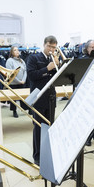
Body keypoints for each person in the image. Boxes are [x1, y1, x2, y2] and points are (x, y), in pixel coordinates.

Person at [27, 35, 59, 164]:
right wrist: (48, 68)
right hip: (38, 97)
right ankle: (37, 156)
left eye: (54, 47)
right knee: (39, 127)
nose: (51, 49)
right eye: (49, 46)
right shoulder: (34, 58)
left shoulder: (54, 59)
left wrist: (58, 65)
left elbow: (58, 76)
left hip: (51, 96)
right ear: (44, 44)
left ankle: (47, 153)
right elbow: (32, 76)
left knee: (50, 126)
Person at [5, 45, 27, 117]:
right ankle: (14, 111)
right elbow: (11, 74)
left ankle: (26, 109)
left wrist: (23, 80)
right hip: (13, 83)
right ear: (11, 52)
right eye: (15, 50)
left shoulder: (22, 61)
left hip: (22, 82)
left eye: (17, 50)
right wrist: (19, 81)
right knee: (13, 98)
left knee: (23, 96)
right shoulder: (9, 61)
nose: (17, 51)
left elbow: (25, 71)